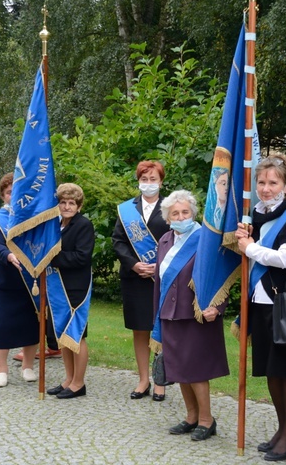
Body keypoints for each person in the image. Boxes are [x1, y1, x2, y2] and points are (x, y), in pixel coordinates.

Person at [235, 155, 286, 461]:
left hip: (284, 304)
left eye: (273, 182)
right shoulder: (254, 213)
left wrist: (249, 247)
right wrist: (244, 238)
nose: (266, 188)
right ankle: (280, 430)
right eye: (262, 182)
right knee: (270, 372)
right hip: (259, 301)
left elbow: (285, 258)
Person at [153, 190, 228, 441]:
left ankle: (207, 420)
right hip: (169, 315)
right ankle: (191, 416)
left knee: (196, 370)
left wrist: (218, 307)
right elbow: (159, 282)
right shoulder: (164, 240)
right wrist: (157, 315)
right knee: (179, 370)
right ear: (167, 218)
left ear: (193, 213)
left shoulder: (206, 239)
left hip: (196, 314)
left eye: (185, 212)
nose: (181, 216)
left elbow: (222, 275)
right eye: (175, 213)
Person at [112, 161, 170, 400]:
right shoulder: (127, 209)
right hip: (134, 278)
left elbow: (178, 240)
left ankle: (160, 381)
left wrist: (159, 267)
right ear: (138, 181)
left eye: (153, 179)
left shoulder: (171, 206)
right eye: (144, 179)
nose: (148, 184)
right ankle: (143, 379)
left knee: (162, 329)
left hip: (163, 277)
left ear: (161, 181)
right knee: (139, 330)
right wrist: (134, 265)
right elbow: (118, 241)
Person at [0, 173, 38, 387]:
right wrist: (8, 256)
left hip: (29, 280)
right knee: (3, 326)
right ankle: (1, 370)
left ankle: (28, 366)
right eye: (9, 193)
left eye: (16, 192)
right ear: (3, 196)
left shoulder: (33, 216)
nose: (12, 196)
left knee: (30, 325)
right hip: (3, 281)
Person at [45, 183, 95, 399]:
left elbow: (82, 256)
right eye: (63, 202)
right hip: (57, 285)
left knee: (77, 334)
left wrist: (52, 258)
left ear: (79, 205)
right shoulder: (55, 224)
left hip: (76, 287)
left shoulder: (83, 225)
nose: (66, 206)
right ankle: (68, 378)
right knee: (63, 334)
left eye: (71, 203)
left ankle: (78, 383)